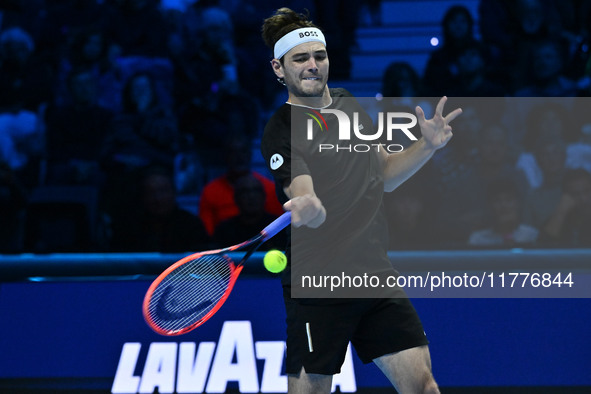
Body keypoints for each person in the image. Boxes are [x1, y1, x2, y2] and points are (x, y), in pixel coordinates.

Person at [260, 8, 461, 393]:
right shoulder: (281, 130)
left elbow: (383, 174)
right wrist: (308, 206)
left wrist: (427, 146)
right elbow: (302, 193)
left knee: (424, 387)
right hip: (318, 285)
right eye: (300, 58)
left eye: (319, 55)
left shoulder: (347, 103)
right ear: (278, 68)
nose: (313, 65)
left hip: (373, 274)